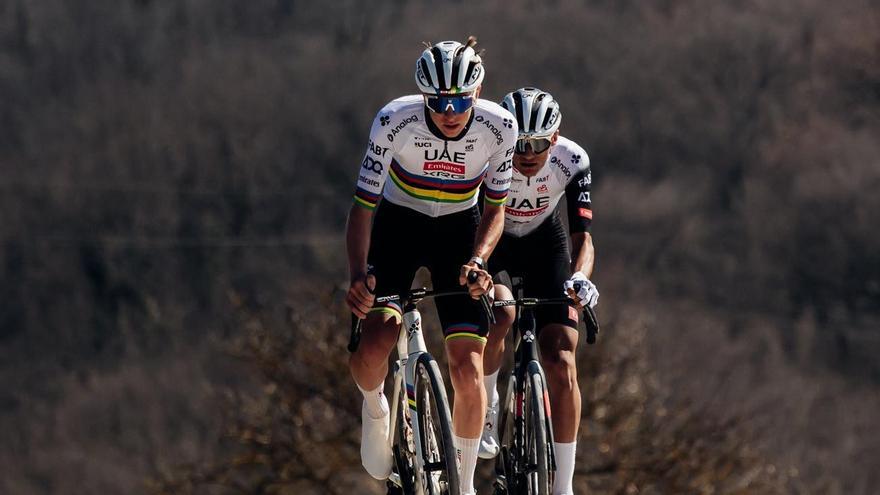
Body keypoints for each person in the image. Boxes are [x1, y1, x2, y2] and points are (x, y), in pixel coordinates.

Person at [345, 37, 518, 494]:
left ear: (476, 93)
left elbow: (497, 210)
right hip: (399, 226)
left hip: (459, 233)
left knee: (467, 365)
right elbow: (363, 207)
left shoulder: (500, 128)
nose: (450, 110)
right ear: (424, 97)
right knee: (377, 339)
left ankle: (462, 485)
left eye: (460, 99)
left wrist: (480, 261)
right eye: (439, 101)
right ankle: (375, 406)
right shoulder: (393, 121)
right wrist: (357, 274)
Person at [478, 88, 599, 495]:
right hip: (494, 239)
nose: (527, 154)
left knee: (562, 357)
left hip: (545, 242)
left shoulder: (573, 160)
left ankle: (563, 484)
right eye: (519, 144)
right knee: (502, 312)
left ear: (556, 137)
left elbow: (584, 237)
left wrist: (581, 276)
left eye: (538, 144)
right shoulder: (487, 152)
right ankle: (490, 405)